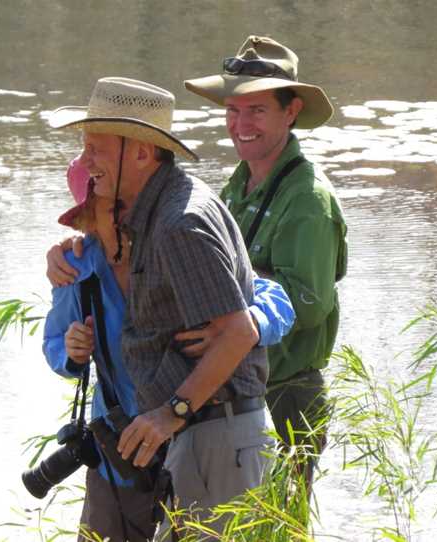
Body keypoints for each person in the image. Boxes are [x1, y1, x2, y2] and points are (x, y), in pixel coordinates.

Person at [47, 76, 274, 533]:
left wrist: (170, 413)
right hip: (202, 434)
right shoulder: (159, 210)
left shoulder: (178, 223)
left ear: (142, 153)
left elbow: (239, 331)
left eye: (97, 148)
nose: (84, 161)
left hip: (213, 433)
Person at [184, 35, 349, 493]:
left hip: (286, 394)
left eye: (256, 110)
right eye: (233, 110)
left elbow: (309, 305)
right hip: (238, 387)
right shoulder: (240, 182)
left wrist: (230, 317)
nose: (240, 124)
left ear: (291, 111)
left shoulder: (308, 199)